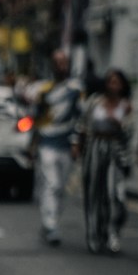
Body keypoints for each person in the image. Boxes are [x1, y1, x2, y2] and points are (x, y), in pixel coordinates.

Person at [75, 69, 133, 254]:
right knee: (94, 194)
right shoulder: (94, 102)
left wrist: (120, 124)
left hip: (115, 152)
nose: (112, 85)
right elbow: (82, 124)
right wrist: (77, 145)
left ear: (122, 85)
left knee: (116, 195)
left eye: (116, 82)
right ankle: (94, 235)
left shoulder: (126, 106)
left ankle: (112, 232)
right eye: (110, 81)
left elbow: (130, 133)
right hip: (94, 149)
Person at [31, 50, 83, 247]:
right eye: (58, 62)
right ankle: (50, 224)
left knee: (61, 188)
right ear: (52, 65)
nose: (61, 66)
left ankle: (50, 221)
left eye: (64, 63)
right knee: (51, 184)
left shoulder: (76, 89)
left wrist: (77, 142)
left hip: (66, 145)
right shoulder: (44, 90)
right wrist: (32, 144)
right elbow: (36, 119)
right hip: (47, 144)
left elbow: (81, 118)